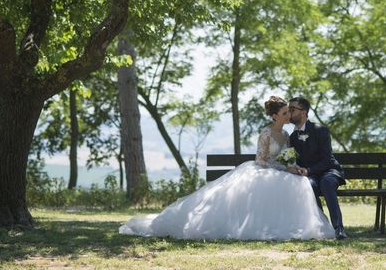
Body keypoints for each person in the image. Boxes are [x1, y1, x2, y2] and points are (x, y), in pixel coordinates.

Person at [118, 96, 335, 240]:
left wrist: (292, 168)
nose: (289, 115)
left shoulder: (287, 135)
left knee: (297, 183)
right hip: (263, 170)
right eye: (286, 112)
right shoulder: (266, 133)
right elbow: (261, 160)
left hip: (279, 171)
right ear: (275, 116)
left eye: (290, 112)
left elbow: (289, 158)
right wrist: (280, 168)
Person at [289, 96, 348, 239]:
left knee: (326, 182)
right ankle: (323, 226)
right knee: (308, 185)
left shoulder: (320, 130)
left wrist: (309, 170)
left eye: (292, 109)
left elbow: (327, 159)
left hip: (329, 171)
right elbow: (293, 160)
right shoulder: (292, 137)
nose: (289, 112)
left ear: (303, 112)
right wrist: (297, 168)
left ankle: (339, 228)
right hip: (311, 176)